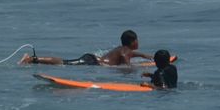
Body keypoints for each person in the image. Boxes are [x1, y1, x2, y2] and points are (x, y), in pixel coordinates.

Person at [22, 30, 168, 67]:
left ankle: (33, 59)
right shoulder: (125, 51)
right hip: (93, 62)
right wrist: (129, 69)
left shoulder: (123, 48)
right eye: (137, 40)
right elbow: (125, 57)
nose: (138, 42)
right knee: (64, 63)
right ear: (132, 42)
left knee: (65, 62)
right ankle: (31, 59)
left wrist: (150, 57)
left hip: (92, 59)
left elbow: (136, 54)